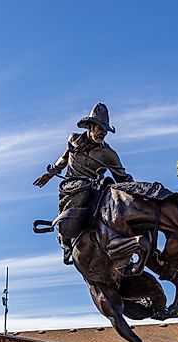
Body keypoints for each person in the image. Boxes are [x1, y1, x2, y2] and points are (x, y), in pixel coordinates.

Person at [34, 102, 132, 264]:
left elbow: (123, 178)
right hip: (72, 188)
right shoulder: (74, 140)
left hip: (95, 188)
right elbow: (64, 159)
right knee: (79, 195)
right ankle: (66, 241)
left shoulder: (108, 154)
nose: (102, 133)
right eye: (99, 129)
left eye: (105, 131)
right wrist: (50, 173)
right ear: (90, 126)